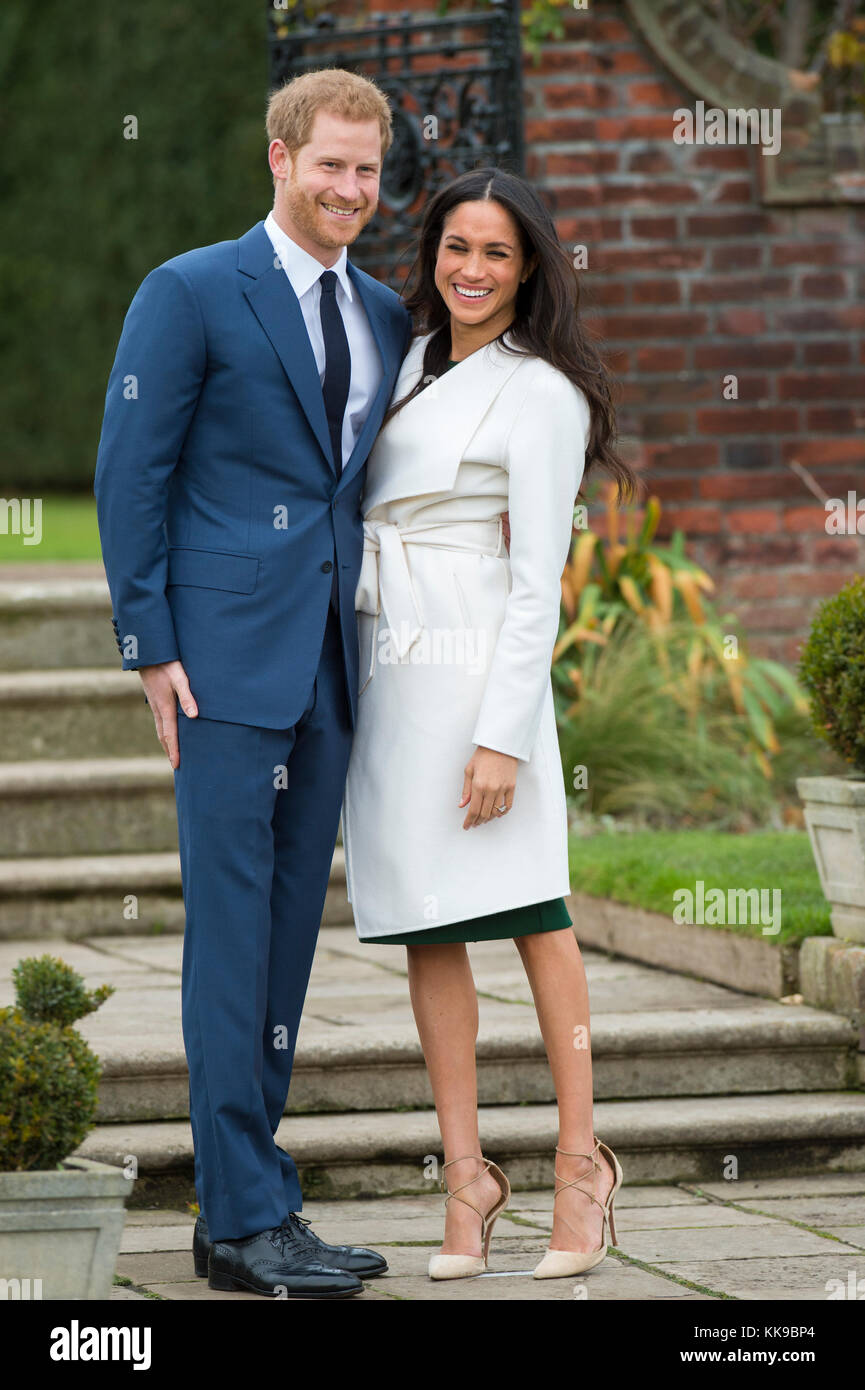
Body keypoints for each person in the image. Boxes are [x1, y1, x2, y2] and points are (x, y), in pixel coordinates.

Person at [94, 68, 414, 1300]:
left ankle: (257, 1198)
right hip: (219, 667)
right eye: (330, 164)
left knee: (285, 940)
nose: (350, 189)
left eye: (367, 171)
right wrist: (148, 643)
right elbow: (132, 471)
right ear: (278, 159)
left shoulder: (383, 310)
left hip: (331, 663)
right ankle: (238, 1221)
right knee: (230, 938)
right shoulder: (189, 291)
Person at [342, 166, 639, 1280]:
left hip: (477, 672)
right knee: (428, 922)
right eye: (455, 247)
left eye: (497, 253)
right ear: (433, 256)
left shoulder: (542, 392)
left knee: (533, 913)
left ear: (530, 269)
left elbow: (537, 581)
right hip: (392, 666)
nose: (470, 270)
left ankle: (578, 1163)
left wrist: (503, 736)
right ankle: (464, 1182)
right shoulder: (409, 358)